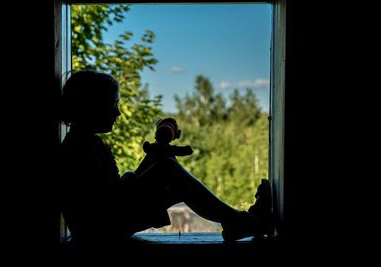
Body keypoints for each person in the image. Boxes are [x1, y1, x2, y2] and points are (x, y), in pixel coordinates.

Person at [59, 70, 273, 245]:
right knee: (167, 168)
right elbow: (108, 202)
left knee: (163, 164)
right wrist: (135, 177)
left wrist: (146, 165)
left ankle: (237, 221)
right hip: (101, 232)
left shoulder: (83, 143)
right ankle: (241, 221)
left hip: (104, 226)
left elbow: (112, 195)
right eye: (113, 105)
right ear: (91, 106)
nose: (118, 113)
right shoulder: (80, 149)